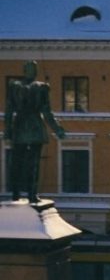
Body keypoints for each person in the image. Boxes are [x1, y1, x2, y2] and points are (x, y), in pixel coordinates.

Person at [5, 60, 67, 203]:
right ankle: (24, 194)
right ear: (26, 71)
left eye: (32, 69)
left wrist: (57, 129)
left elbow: (46, 112)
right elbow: (46, 112)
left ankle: (24, 193)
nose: (31, 71)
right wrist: (57, 129)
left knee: (24, 163)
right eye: (30, 69)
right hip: (29, 126)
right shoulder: (28, 87)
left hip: (24, 127)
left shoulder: (30, 87)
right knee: (24, 163)